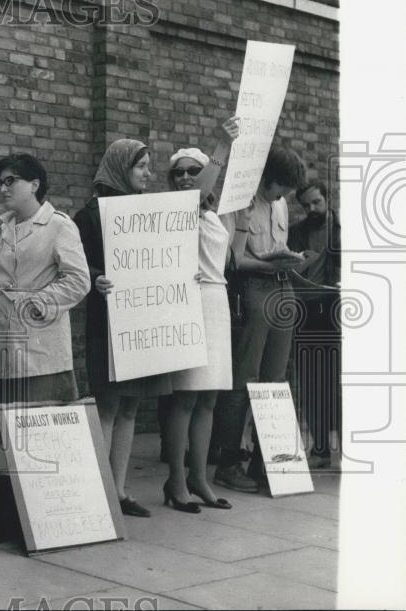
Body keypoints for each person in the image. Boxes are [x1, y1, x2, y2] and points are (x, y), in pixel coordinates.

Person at [74, 139, 170, 517]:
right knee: (109, 406)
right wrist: (95, 278)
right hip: (107, 322)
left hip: (140, 320)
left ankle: (118, 490)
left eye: (148, 165)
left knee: (130, 405)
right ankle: (99, 491)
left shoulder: (146, 212)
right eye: (140, 166)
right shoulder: (89, 215)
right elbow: (75, 265)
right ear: (120, 168)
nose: (148, 173)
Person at [211, 145, 308, 493]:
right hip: (252, 289)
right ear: (267, 178)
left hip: (283, 290)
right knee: (244, 379)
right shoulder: (240, 201)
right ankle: (227, 463)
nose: (283, 195)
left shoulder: (279, 204)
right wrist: (269, 264)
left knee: (275, 381)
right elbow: (230, 260)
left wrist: (289, 260)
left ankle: (269, 464)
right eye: (280, 187)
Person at [160, 117, 243, 514]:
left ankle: (199, 477)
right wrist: (222, 146)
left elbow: (227, 259)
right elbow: (198, 196)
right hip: (188, 301)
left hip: (215, 299)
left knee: (208, 398)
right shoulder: (178, 209)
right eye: (178, 173)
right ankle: (176, 479)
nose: (185, 178)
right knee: (186, 397)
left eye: (193, 171)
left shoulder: (214, 214)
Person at [0, 153, 90, 406]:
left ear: (34, 185)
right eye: (0, 183)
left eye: (10, 181)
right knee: (10, 421)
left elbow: (79, 280)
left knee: (44, 419)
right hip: (5, 344)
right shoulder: (0, 228)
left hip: (42, 345)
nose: (3, 189)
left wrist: (38, 302)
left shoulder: (58, 225)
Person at [288, 180, 341, 469]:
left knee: (340, 381)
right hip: (306, 310)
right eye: (306, 205)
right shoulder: (297, 232)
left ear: (327, 199)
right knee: (311, 381)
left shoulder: (345, 229)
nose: (311, 209)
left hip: (338, 309)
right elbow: (288, 270)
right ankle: (320, 450)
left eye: (316, 202)